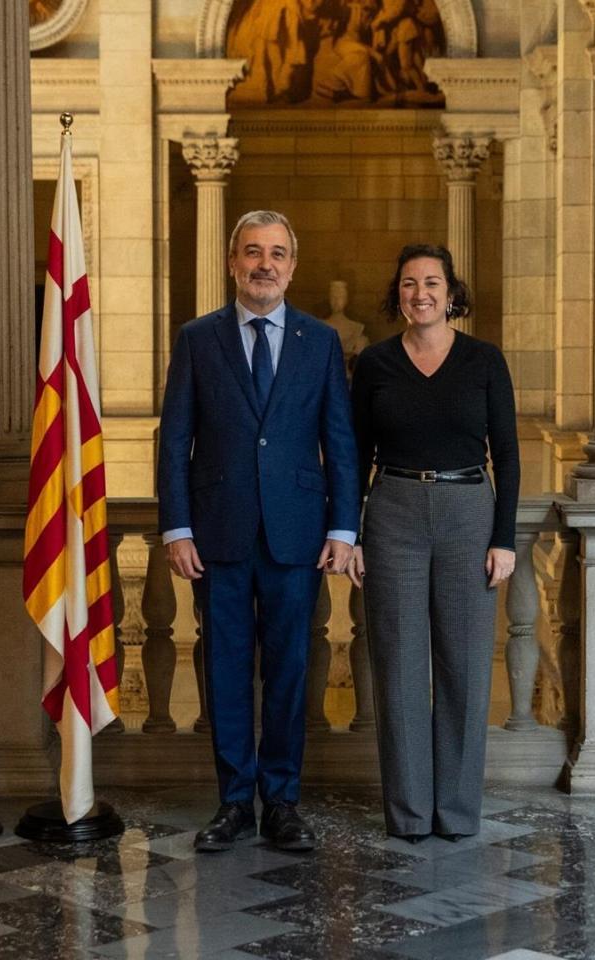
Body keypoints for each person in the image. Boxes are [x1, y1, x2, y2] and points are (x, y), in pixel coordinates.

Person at [157, 210, 360, 852]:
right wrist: (176, 527)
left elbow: (341, 440)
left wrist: (344, 526)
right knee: (224, 668)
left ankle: (282, 801)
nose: (264, 264)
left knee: (291, 669)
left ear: (292, 267)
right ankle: (233, 802)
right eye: (252, 252)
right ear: (232, 262)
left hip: (297, 534)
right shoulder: (197, 338)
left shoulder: (319, 342)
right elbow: (175, 441)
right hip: (217, 531)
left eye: (276, 253)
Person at [348, 244, 518, 842]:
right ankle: (410, 813)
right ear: (398, 294)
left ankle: (456, 811)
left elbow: (510, 454)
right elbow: (355, 455)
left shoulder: (485, 360)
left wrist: (504, 538)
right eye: (409, 283)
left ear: (452, 294)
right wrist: (354, 532)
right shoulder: (373, 364)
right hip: (391, 512)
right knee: (396, 664)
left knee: (466, 667)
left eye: (432, 282)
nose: (420, 292)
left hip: (470, 511)